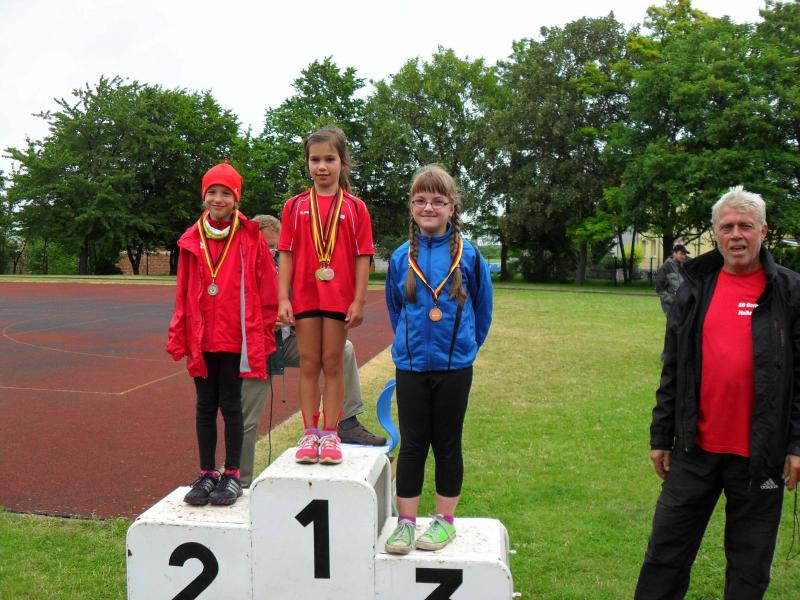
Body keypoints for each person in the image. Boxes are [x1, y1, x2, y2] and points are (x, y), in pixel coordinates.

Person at [635, 186, 800, 599]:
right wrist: (661, 436)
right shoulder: (695, 287)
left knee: (749, 568)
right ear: (715, 233)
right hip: (695, 450)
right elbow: (673, 367)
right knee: (665, 555)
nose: (736, 235)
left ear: (763, 231)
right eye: (727, 227)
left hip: (761, 456)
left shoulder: (790, 291)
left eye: (746, 226)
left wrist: (796, 444)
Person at [383, 164, 493, 554]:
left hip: (454, 368)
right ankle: (406, 524)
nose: (428, 207)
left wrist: (465, 349)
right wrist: (409, 346)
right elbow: (395, 309)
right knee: (413, 444)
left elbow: (483, 311)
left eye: (437, 200)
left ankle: (445, 522)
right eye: (420, 200)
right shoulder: (401, 257)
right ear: (411, 206)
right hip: (412, 366)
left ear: (452, 207)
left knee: (448, 444)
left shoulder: (470, 255)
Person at [239, 214, 386, 487]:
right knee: (246, 421)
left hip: (287, 342)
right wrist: (264, 320)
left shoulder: (287, 267)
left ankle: (347, 422)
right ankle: (241, 481)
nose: (271, 253)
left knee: (343, 349)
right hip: (256, 348)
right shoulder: (240, 267)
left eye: (275, 247)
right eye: (265, 247)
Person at [166, 160, 278, 506]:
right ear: (204, 197)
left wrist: (262, 331)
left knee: (231, 405)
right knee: (204, 406)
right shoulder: (191, 239)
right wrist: (180, 333)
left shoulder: (250, 236)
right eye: (212, 192)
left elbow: (267, 287)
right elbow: (183, 291)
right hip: (202, 336)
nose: (218, 199)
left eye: (226, 193)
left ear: (236, 198)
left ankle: (231, 474)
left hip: (235, 337)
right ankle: (206, 473)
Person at [277, 126, 374, 465]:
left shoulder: (356, 208)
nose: (322, 167)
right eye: (315, 159)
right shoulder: (294, 206)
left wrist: (359, 300)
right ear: (307, 163)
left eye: (329, 159)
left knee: (332, 363)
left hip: (338, 297)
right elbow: (286, 254)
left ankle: (330, 433)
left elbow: (363, 257)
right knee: (308, 363)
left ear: (342, 162)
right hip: (305, 297)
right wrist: (283, 298)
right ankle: (309, 432)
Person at [655, 244, 689, 316]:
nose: (683, 256)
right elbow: (659, 288)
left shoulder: (685, 266)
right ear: (674, 253)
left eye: (684, 254)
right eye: (681, 254)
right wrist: (672, 300)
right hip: (669, 304)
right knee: (673, 322)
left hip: (682, 303)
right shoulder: (666, 267)